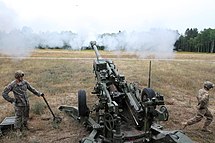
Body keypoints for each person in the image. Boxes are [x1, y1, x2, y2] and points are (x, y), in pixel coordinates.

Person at [2, 70, 44, 136]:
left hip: (26, 103)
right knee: (18, 117)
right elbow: (4, 93)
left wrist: (39, 94)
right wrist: (12, 100)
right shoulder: (12, 85)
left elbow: (32, 89)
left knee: (26, 115)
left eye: (22, 76)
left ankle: (25, 125)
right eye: (21, 76)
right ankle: (17, 130)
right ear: (17, 77)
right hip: (19, 104)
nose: (22, 78)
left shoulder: (25, 83)